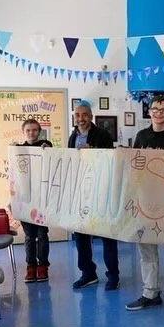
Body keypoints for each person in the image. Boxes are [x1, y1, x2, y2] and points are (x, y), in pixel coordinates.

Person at [125, 96, 164, 317]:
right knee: (147, 249)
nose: (158, 113)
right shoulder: (141, 136)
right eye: (155, 109)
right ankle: (150, 292)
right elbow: (135, 167)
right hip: (145, 200)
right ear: (149, 112)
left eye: (163, 110)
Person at [68, 100, 120, 290]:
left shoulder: (103, 135)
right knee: (80, 234)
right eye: (77, 115)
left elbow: (110, 159)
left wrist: (95, 153)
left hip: (101, 190)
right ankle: (87, 273)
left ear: (91, 116)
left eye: (84, 115)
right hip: (81, 191)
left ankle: (113, 275)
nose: (81, 119)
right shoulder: (72, 136)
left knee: (107, 233)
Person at [11, 119, 52, 283]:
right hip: (25, 199)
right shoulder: (18, 149)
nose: (31, 133)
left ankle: (43, 266)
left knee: (42, 234)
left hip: (41, 198)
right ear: (24, 132)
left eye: (34, 130)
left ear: (39, 131)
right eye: (28, 130)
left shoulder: (45, 145)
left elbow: (51, 154)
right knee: (29, 236)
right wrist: (13, 149)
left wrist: (47, 151)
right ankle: (30, 266)